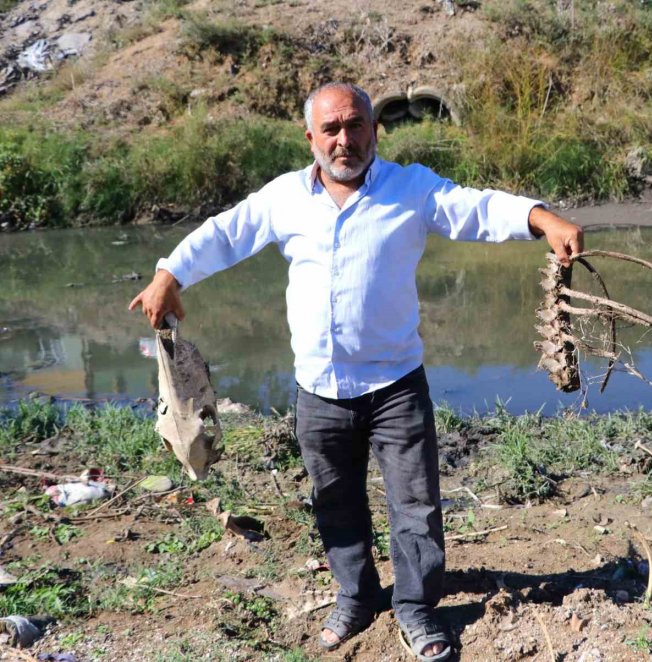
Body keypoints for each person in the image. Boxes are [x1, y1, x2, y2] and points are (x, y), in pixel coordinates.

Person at [129, 81, 583, 660]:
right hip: (318, 391)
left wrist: (541, 219)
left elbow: (473, 207)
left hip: (396, 385)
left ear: (375, 129)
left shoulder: (409, 189)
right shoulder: (285, 198)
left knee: (415, 506)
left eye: (356, 126)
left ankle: (417, 609)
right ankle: (357, 597)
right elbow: (225, 233)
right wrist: (170, 274)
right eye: (332, 129)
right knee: (335, 500)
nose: (345, 140)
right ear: (310, 138)